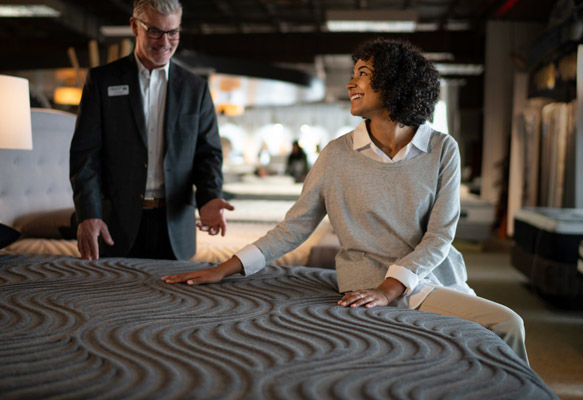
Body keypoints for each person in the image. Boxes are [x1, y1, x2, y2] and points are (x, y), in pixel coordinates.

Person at [162, 38, 529, 364]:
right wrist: (223, 268)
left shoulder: (441, 148)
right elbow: (295, 227)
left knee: (490, 338)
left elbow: (440, 236)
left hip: (432, 278)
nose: (351, 83)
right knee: (508, 323)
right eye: (353, 74)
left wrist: (392, 288)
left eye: (364, 74)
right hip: (371, 282)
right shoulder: (337, 154)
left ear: (394, 82)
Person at [70, 0, 233, 261]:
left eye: (173, 32)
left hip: (174, 226)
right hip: (115, 223)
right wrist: (88, 213)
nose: (165, 42)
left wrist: (210, 198)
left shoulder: (195, 88)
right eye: (155, 31)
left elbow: (208, 155)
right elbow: (85, 155)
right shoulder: (103, 81)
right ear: (135, 26)